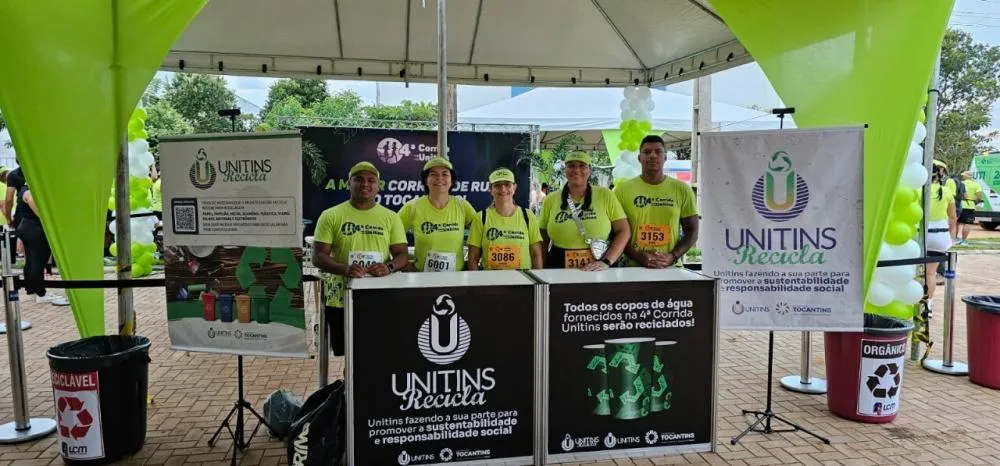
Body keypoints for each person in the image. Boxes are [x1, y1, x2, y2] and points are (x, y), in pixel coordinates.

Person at [311, 162, 409, 356]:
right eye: (359, 179)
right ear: (349, 184)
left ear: (378, 186)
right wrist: (345, 269)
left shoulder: (391, 217)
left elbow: (402, 255)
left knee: (378, 350)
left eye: (371, 180)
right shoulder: (330, 215)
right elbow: (318, 256)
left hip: (378, 296)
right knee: (348, 353)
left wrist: (389, 267)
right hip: (340, 298)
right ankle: (348, 377)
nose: (365, 184)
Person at [614, 135, 699, 268]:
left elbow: (692, 230)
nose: (653, 156)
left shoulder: (682, 189)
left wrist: (672, 256)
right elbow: (615, 232)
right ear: (639, 158)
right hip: (632, 267)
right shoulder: (622, 190)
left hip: (669, 268)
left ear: (665, 157)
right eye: (647, 152)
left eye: (658, 152)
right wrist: (638, 257)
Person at [539, 151, 630, 270]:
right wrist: (540, 269)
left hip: (599, 264)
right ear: (565, 170)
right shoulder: (550, 199)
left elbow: (624, 231)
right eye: (571, 166)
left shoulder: (605, 195)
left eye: (582, 166)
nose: (576, 170)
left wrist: (607, 261)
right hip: (559, 265)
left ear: (589, 170)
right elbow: (542, 238)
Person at [398, 157, 476, 272]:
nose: (439, 178)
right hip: (423, 278)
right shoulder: (412, 207)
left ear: (452, 180)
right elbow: (392, 236)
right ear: (426, 180)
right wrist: (402, 263)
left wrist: (472, 261)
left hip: (456, 278)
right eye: (433, 174)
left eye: (445, 174)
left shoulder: (462, 205)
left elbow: (480, 233)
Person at [467, 168, 544, 270]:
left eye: (507, 185)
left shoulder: (528, 216)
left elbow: (536, 254)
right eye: (497, 185)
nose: (503, 189)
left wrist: (536, 278)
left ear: (514, 188)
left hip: (522, 279)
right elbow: (473, 257)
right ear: (491, 190)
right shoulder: (481, 218)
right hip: (491, 279)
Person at [15, 182, 69, 305]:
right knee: (38, 261)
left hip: (27, 227)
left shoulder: (23, 190)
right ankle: (40, 293)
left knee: (31, 261)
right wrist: (48, 219)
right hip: (35, 229)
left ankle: (32, 290)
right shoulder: (29, 191)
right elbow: (36, 207)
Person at [923, 166, 957, 304]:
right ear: (939, 175)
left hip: (921, 235)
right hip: (940, 236)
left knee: (915, 272)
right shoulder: (946, 191)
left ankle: (915, 303)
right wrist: (952, 237)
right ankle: (928, 304)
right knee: (931, 273)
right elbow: (953, 217)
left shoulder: (918, 189)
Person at [957, 170, 983, 245]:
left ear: (965, 176)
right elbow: (979, 196)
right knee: (967, 223)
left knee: (957, 222)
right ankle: (963, 241)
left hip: (959, 204)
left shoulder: (960, 183)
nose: (962, 176)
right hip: (970, 206)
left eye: (963, 175)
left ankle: (954, 238)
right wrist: (975, 202)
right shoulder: (976, 185)